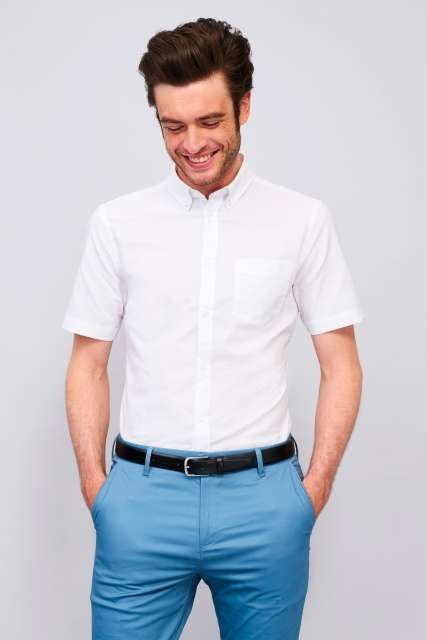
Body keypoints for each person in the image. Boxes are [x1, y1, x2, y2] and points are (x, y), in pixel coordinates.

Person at [62, 17, 365, 640]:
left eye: (209, 121)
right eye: (173, 127)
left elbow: (341, 364)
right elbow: (88, 362)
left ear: (244, 107)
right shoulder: (118, 224)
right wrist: (98, 488)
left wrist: (313, 491)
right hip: (142, 501)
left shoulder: (302, 221)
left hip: (264, 503)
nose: (192, 143)